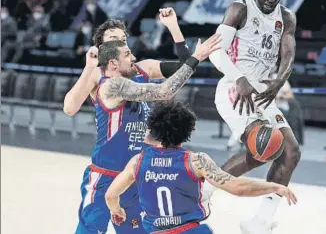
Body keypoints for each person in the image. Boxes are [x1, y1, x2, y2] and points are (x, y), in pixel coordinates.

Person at [74, 35, 221, 233]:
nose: (133, 57)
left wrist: (174, 30)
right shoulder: (112, 85)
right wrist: (196, 58)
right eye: (127, 54)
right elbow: (164, 92)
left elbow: (179, 69)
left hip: (135, 175)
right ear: (113, 63)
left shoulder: (139, 75)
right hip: (106, 176)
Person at [105, 101, 297, 234]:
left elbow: (110, 195)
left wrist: (117, 211)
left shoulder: (137, 161)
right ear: (186, 132)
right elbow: (238, 187)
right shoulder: (196, 161)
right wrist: (275, 187)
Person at [206, 0, 300, 234]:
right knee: (265, 149)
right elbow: (215, 52)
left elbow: (288, 53)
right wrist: (239, 78)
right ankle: (202, 194)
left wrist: (280, 80)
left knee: (291, 152)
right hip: (233, 89)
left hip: (262, 91)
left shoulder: (287, 18)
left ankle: (260, 222)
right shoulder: (240, 9)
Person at [63, 7, 193, 116]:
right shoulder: (97, 74)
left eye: (123, 39)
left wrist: (173, 26)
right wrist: (88, 67)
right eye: (114, 38)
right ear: (102, 46)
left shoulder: (144, 67)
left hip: (144, 144)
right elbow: (69, 109)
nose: (120, 42)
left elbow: (186, 68)